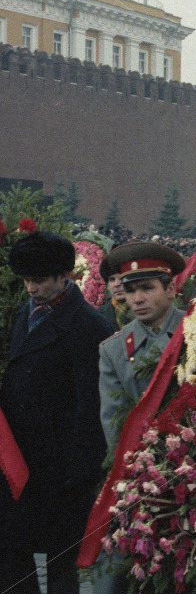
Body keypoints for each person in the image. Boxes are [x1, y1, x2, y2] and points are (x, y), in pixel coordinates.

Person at [0, 231, 113, 593]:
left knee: (60, 561)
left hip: (62, 465)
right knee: (14, 552)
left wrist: (81, 471)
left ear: (65, 275)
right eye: (26, 280)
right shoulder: (25, 313)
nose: (31, 288)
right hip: (21, 459)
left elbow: (91, 405)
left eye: (39, 280)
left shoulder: (89, 325)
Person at [91, 242, 185, 593]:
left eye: (147, 288)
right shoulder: (114, 349)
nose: (137, 299)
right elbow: (114, 422)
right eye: (130, 291)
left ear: (171, 288)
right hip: (141, 477)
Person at [97, 252, 130, 332]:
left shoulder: (144, 309)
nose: (116, 284)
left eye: (122, 278)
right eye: (112, 279)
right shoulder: (97, 316)